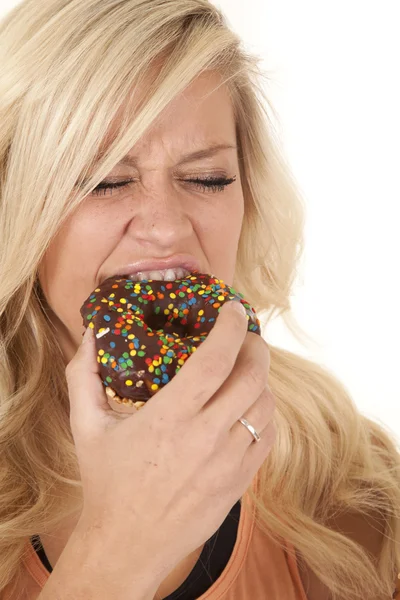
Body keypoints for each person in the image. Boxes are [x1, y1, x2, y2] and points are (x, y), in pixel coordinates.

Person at [0, 0, 399, 599]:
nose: (166, 227)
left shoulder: (339, 474)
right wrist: (117, 552)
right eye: (105, 179)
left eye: (207, 178)